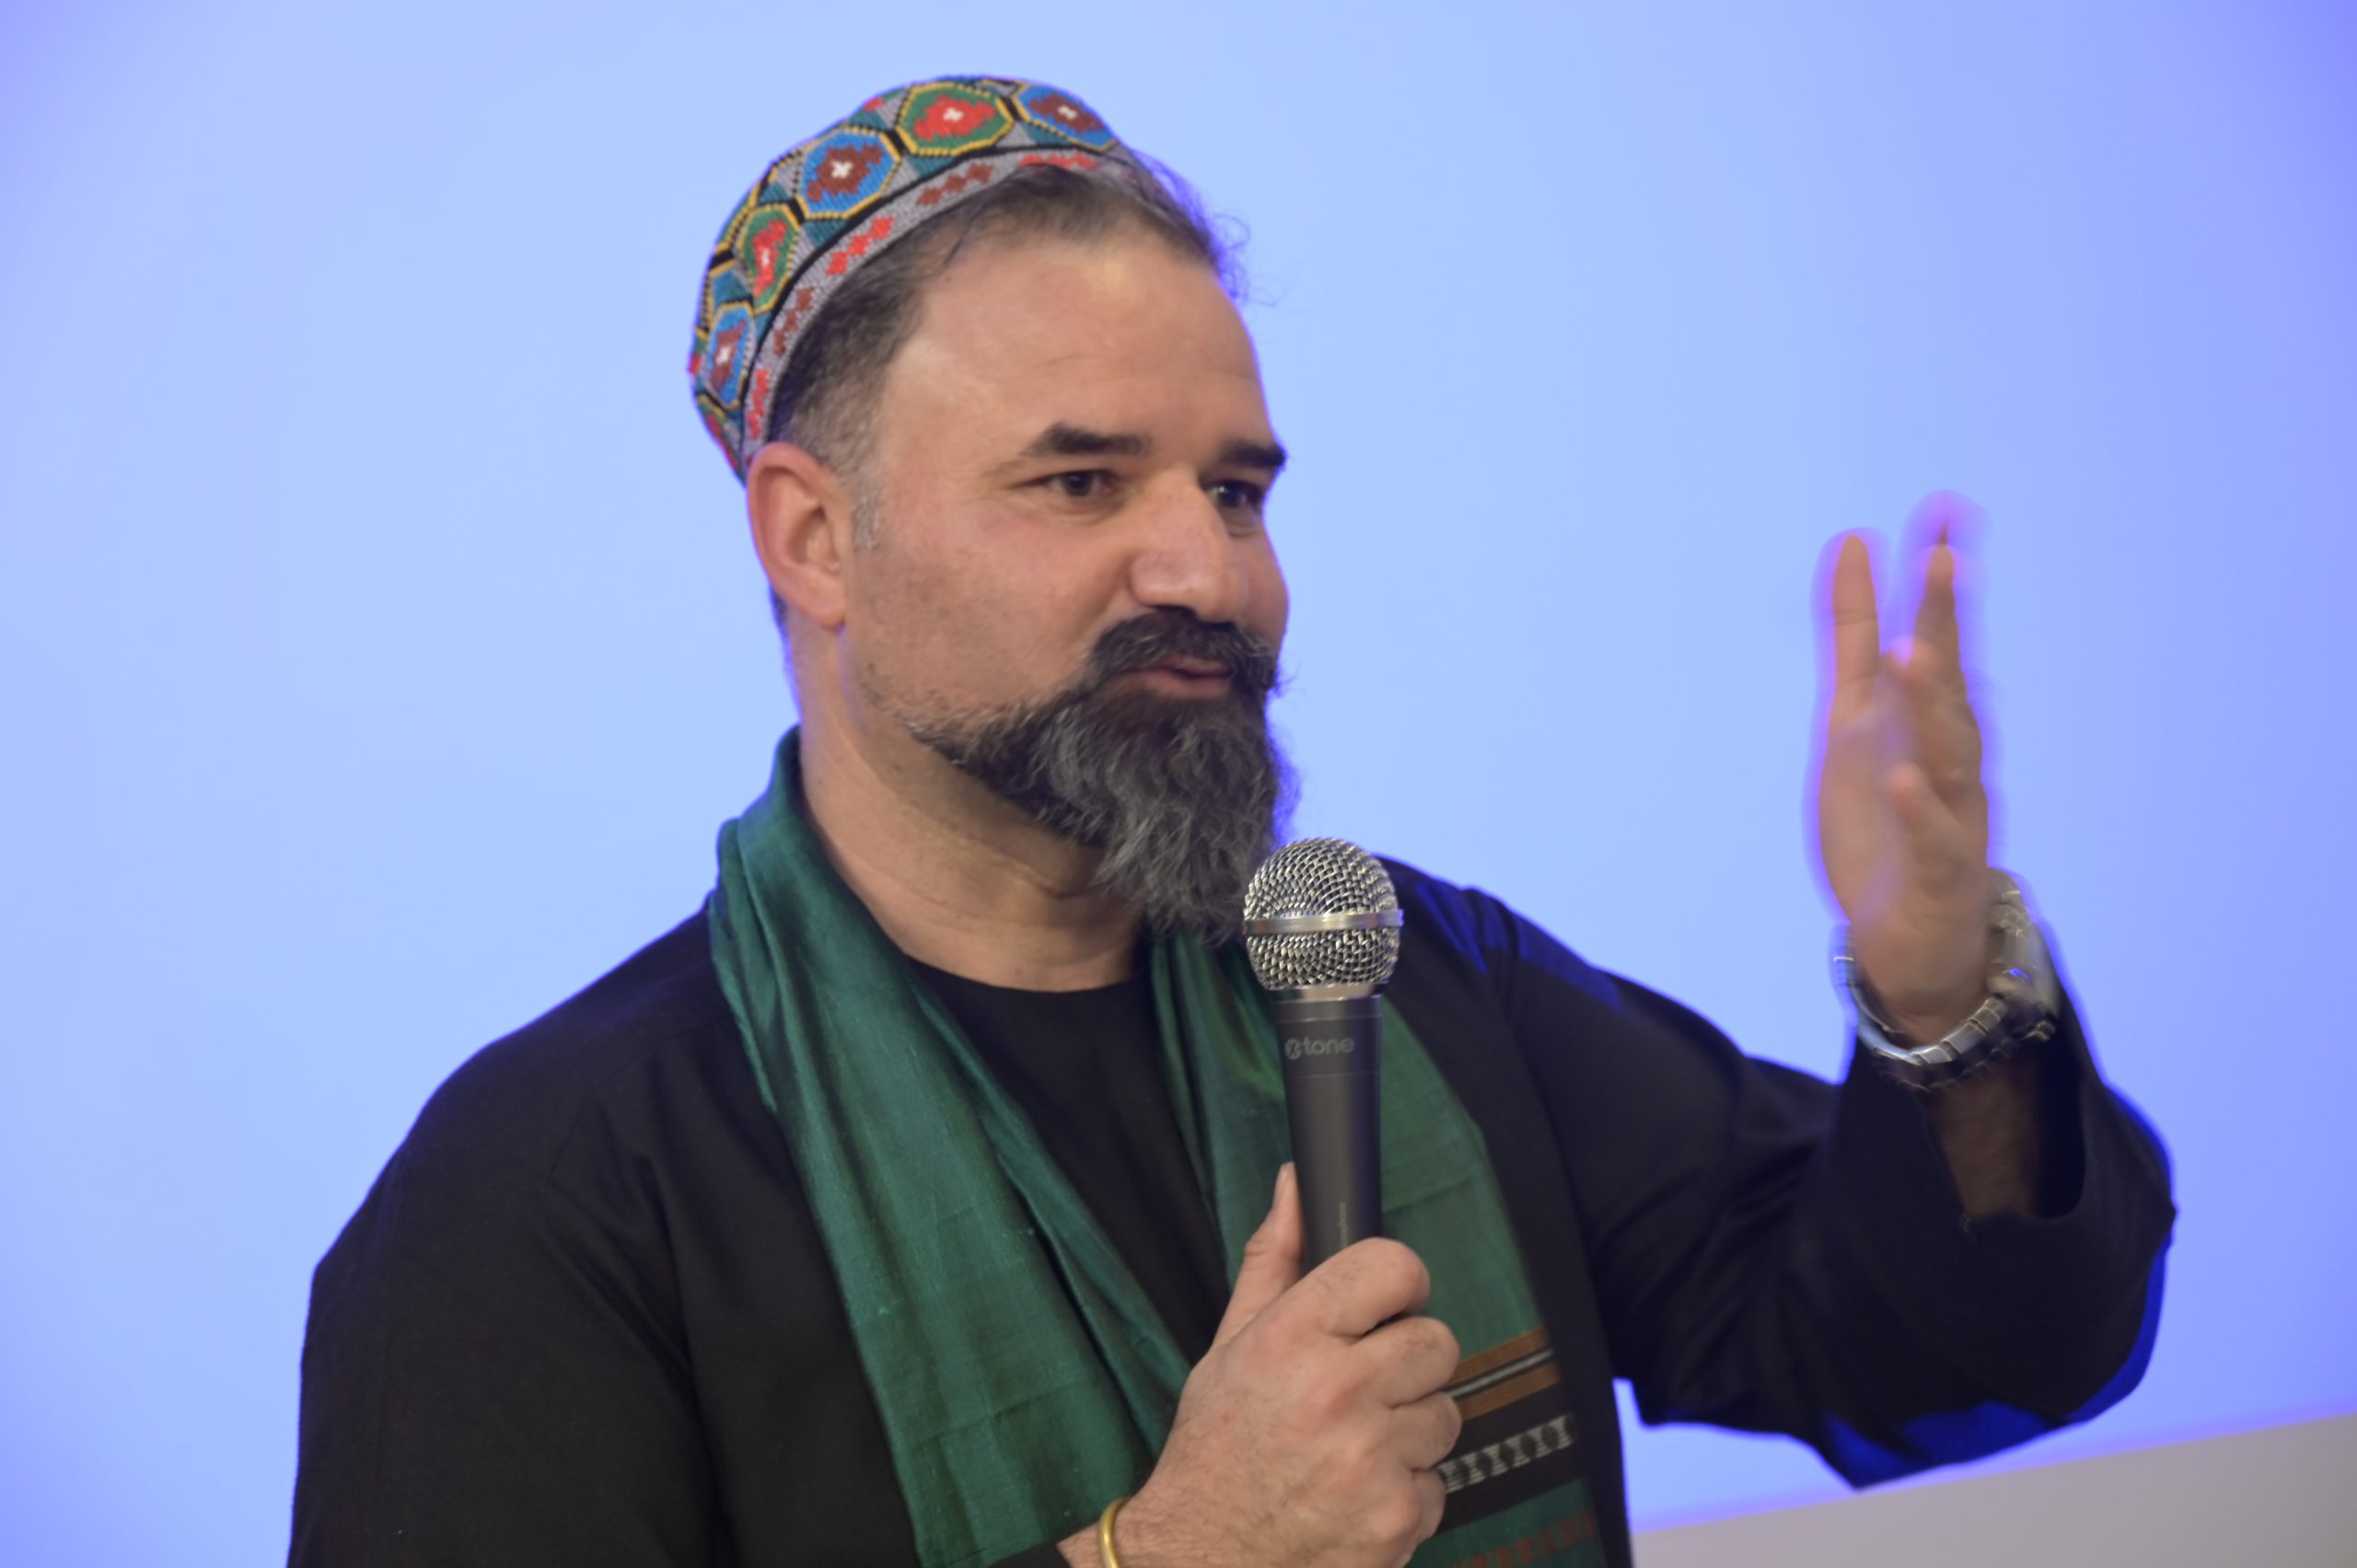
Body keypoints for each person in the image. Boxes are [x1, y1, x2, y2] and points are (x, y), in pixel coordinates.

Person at [288, 76, 2175, 1568]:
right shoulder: (546, 1193)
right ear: (813, 536)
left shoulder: (1410, 979)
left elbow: (1955, 1348)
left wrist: (1938, 991)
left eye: (1238, 490)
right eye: (1080, 481)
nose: (1207, 572)